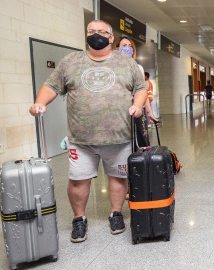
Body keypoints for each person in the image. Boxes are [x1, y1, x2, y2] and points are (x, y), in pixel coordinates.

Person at [29, 20, 148, 243]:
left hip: (118, 135)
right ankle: (79, 219)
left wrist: (138, 105)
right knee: (78, 180)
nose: (96, 35)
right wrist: (39, 103)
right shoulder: (71, 61)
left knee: (118, 177)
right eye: (91, 31)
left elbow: (141, 87)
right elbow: (51, 86)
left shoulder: (126, 63)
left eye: (102, 32)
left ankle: (116, 214)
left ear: (111, 37)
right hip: (81, 138)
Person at [114, 37, 157, 142]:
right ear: (117, 49)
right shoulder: (112, 68)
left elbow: (142, 91)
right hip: (118, 112)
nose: (128, 48)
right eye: (124, 46)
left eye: (130, 46)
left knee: (141, 142)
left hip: (136, 111)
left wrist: (149, 112)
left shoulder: (138, 68)